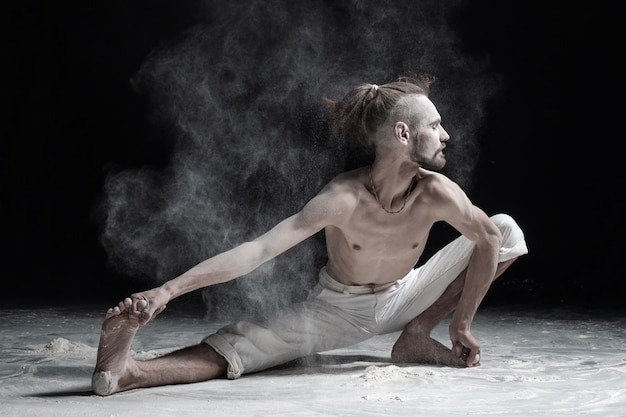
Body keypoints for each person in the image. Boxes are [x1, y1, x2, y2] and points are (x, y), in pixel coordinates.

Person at [92, 75, 528, 396]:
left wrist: (461, 322)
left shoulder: (437, 192)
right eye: (435, 125)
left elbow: (489, 238)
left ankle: (415, 335)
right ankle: (129, 373)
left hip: (406, 293)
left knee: (504, 227)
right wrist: (169, 289)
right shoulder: (343, 197)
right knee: (240, 348)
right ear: (403, 133)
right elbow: (258, 251)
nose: (446, 134)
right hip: (339, 309)